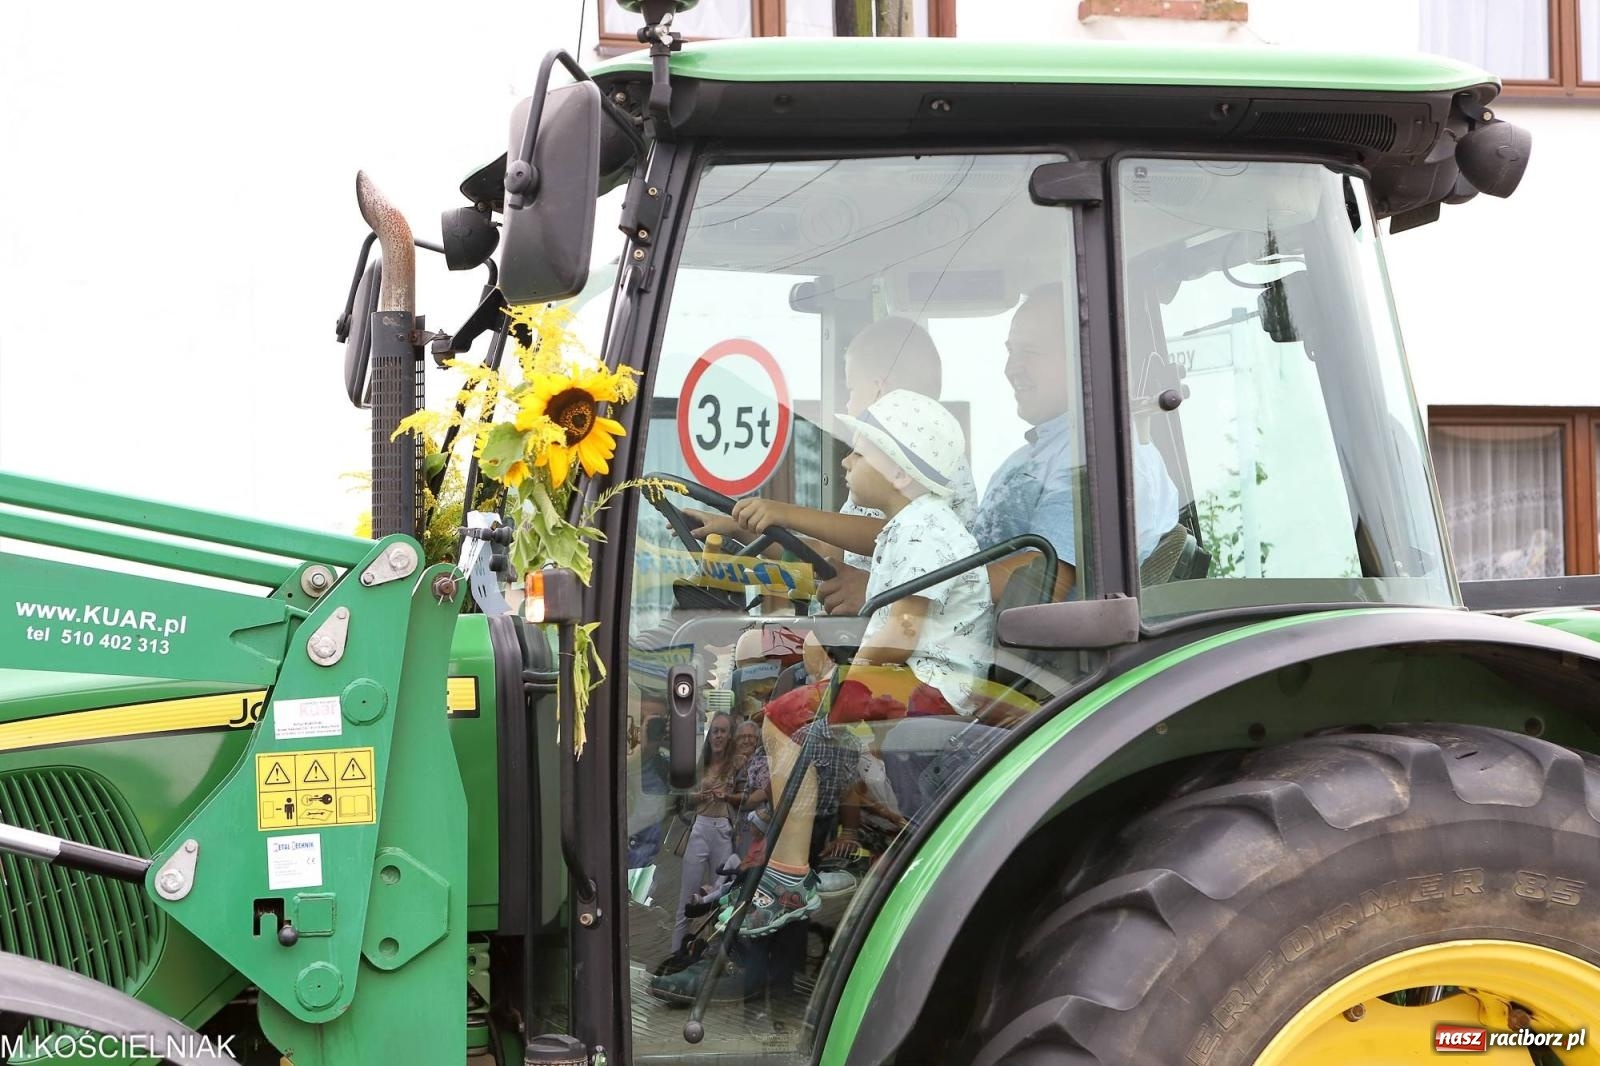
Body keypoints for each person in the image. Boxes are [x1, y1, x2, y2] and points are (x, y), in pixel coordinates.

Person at [739, 389, 994, 935]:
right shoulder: (907, 525)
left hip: (928, 685)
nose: (845, 461)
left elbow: (903, 631)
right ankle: (817, 859)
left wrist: (845, 677)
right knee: (800, 711)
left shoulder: (925, 526)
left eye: (859, 452)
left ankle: (786, 874)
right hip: (913, 679)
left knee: (784, 718)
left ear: (899, 473)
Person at [693, 316, 977, 579]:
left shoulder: (934, 462)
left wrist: (784, 512)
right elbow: (830, 552)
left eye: (851, 390)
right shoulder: (879, 477)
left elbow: (889, 535)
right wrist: (742, 531)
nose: (846, 404)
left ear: (879, 390)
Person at [670, 711, 739, 956]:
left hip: (723, 830)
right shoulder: (702, 764)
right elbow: (684, 798)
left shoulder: (737, 763)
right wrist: (698, 796)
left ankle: (712, 955)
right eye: (715, 731)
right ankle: (676, 955)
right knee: (686, 898)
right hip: (699, 827)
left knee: (721, 897)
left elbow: (747, 797)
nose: (718, 735)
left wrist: (728, 796)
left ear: (730, 735)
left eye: (723, 731)